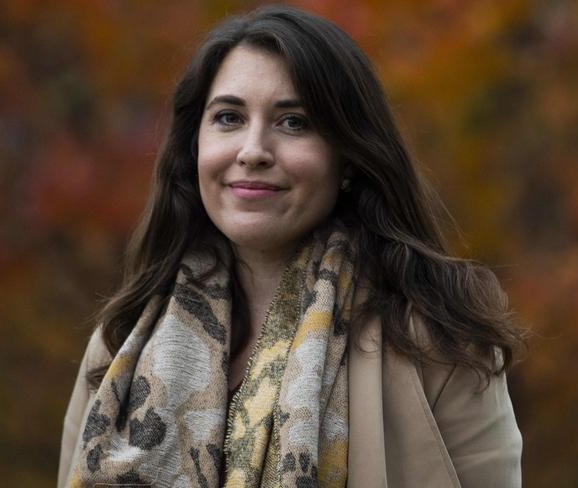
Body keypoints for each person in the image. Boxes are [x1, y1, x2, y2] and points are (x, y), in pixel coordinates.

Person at [58, 5, 524, 487]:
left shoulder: (440, 342)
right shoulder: (119, 346)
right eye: (228, 117)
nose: (253, 150)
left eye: (294, 122)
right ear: (194, 146)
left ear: (348, 157)